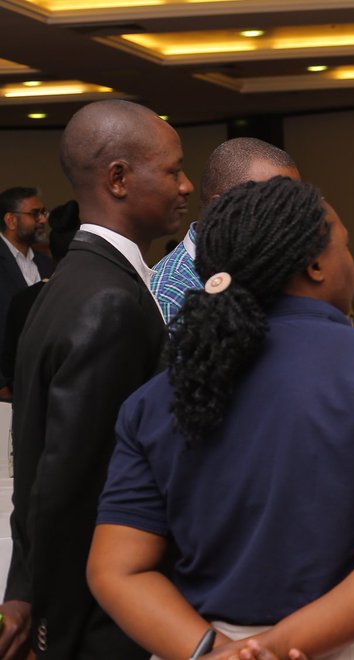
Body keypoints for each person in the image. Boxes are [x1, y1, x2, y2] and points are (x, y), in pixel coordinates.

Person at [88, 176, 354, 660]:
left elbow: (116, 571)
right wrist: (273, 648)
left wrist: (216, 650)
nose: (351, 260)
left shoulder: (156, 397)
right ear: (316, 264)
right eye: (345, 246)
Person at [1, 99, 193, 659]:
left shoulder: (70, 283)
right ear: (118, 179)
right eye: (173, 169)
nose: (185, 186)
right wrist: (52, 628)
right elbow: (70, 487)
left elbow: (35, 461)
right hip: (100, 620)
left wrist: (24, 591)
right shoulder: (109, 301)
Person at [152, 137, 300, 323]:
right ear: (221, 207)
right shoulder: (173, 295)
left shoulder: (267, 272)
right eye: (275, 206)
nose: (292, 220)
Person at [0, 201, 81, 400]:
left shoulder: (26, 297)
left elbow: (11, 365)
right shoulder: (98, 297)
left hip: (30, 402)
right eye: (34, 213)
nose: (41, 219)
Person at [0, 187, 55, 399]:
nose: (42, 220)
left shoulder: (46, 263)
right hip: (8, 386)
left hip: (41, 385)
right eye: (34, 214)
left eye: (44, 212)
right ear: (11, 221)